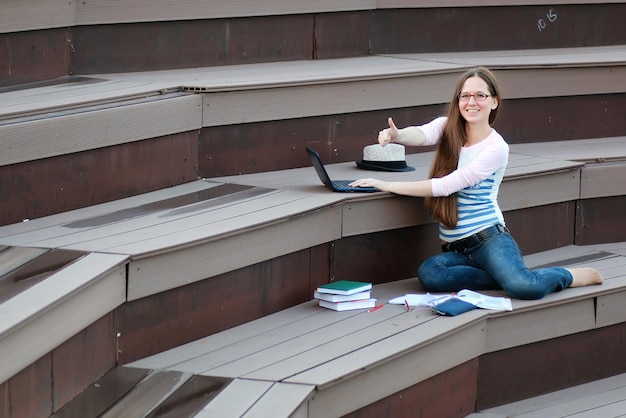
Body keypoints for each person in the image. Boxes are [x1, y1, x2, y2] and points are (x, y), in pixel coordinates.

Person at [349, 67, 603, 300]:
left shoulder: (496, 148)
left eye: (480, 96)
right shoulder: (449, 128)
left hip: (489, 240)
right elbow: (423, 133)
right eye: (465, 95)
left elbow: (447, 185)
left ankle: (568, 276)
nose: (471, 102)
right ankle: (506, 275)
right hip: (457, 250)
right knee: (430, 274)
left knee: (525, 288)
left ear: (494, 102)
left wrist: (387, 184)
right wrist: (398, 135)